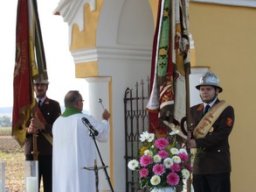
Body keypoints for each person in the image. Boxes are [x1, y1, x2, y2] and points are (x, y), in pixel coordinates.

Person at [52, 90, 111, 192]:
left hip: (62, 170)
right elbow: (102, 135)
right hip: (80, 169)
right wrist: (105, 120)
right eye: (82, 101)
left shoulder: (57, 122)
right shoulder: (83, 119)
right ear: (78, 103)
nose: (82, 103)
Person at [187, 71, 235, 192]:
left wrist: (196, 143)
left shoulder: (226, 110)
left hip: (217, 166)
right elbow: (189, 132)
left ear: (217, 91)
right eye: (202, 89)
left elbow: (221, 135)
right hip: (198, 167)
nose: (204, 92)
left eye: (208, 89)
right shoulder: (193, 110)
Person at [25, 75, 61, 192]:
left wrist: (43, 126)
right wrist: (29, 130)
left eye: (42, 85)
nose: (39, 87)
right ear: (33, 87)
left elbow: (58, 129)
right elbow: (19, 129)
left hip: (48, 153)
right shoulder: (26, 106)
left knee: (49, 187)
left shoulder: (54, 105)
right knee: (31, 187)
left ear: (47, 87)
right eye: (37, 85)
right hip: (31, 153)